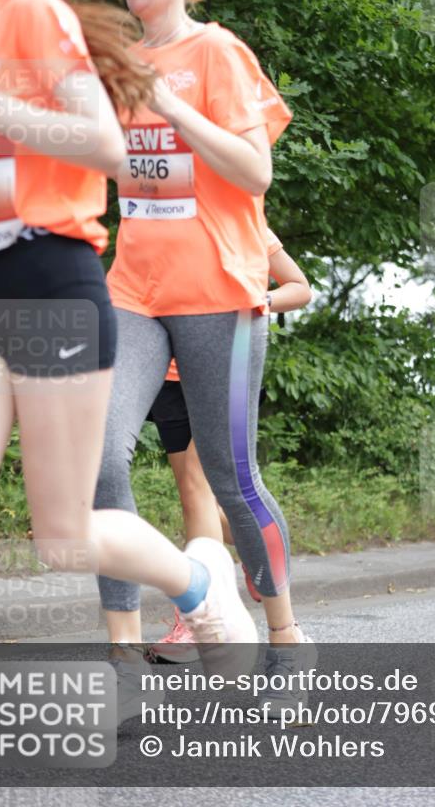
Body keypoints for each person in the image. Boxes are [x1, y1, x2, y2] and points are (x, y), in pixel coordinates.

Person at [0, 0, 256, 802]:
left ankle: (199, 587)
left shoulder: (30, 16)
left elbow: (107, 148)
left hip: (48, 273)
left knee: (65, 534)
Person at [93, 0, 317, 710]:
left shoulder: (217, 51)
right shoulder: (117, 64)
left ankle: (285, 639)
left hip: (219, 291)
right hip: (133, 291)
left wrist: (172, 106)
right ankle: (123, 661)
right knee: (97, 460)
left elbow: (254, 173)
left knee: (231, 478)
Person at [121, 228, 312, 661]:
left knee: (197, 490)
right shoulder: (156, 219)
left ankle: (197, 620)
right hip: (168, 377)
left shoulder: (239, 220)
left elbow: (300, 287)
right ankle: (257, 553)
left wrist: (260, 300)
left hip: (222, 365)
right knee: (197, 498)